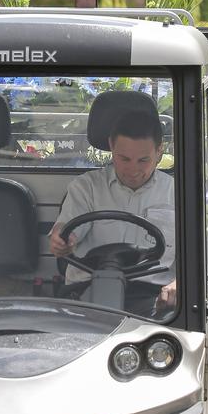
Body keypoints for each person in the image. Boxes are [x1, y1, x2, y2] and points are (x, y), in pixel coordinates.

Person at [50, 110, 175, 315]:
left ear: (159, 151)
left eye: (143, 160)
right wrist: (62, 240)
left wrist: (179, 285)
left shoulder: (178, 193)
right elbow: (67, 229)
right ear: (111, 146)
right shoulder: (86, 187)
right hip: (86, 289)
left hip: (153, 295)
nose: (133, 170)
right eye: (124, 159)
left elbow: (195, 256)